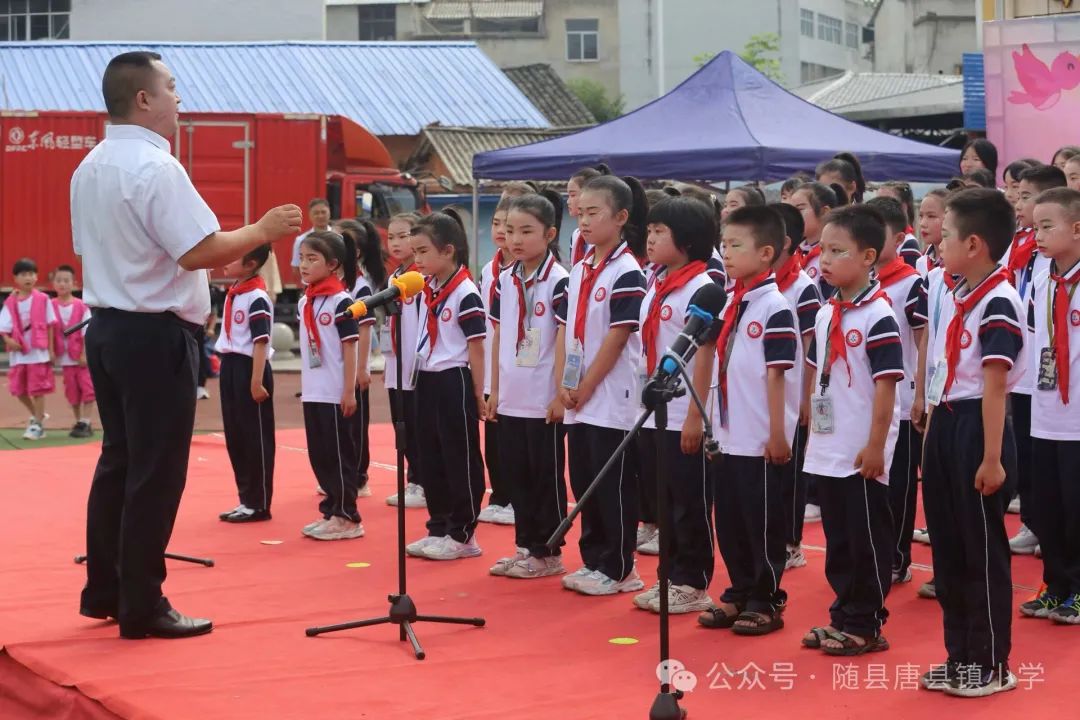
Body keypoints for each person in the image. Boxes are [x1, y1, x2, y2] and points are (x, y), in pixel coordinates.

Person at [72, 51, 301, 639]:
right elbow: (197, 249)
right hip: (152, 333)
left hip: (109, 326)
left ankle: (107, 590)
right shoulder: (154, 168)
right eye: (171, 87)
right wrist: (264, 229)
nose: (180, 98)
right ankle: (142, 604)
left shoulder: (91, 165)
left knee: (120, 462)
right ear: (143, 99)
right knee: (155, 470)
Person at [919, 188, 1023, 696]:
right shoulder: (961, 293)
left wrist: (992, 457)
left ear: (976, 244)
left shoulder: (999, 299)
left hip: (978, 428)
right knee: (949, 548)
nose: (938, 244)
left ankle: (990, 661)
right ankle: (960, 654)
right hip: (947, 418)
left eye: (948, 237)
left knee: (980, 549)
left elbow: (995, 385)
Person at [800, 205, 903, 656]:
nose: (825, 260)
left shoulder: (878, 316)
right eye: (823, 249)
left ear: (868, 257)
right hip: (829, 445)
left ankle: (866, 623)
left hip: (862, 449)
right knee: (839, 538)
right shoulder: (827, 312)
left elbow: (886, 389)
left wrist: (876, 446)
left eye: (837, 251)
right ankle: (842, 613)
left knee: (865, 538)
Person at [701, 205, 797, 635]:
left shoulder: (775, 307)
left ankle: (766, 597)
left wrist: (778, 432)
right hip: (727, 432)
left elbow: (777, 376)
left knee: (762, 522)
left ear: (766, 253)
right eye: (723, 245)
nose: (726, 253)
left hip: (759, 436)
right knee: (732, 519)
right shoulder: (728, 302)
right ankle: (739, 590)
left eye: (736, 245)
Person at [628, 197, 720, 614]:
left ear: (685, 241)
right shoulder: (659, 280)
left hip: (684, 409)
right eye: (649, 231)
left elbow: (704, 354)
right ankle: (670, 576)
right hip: (654, 406)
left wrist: (695, 418)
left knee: (689, 498)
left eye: (659, 232)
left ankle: (693, 580)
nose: (649, 238)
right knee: (664, 499)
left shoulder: (702, 286)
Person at [557, 175, 648, 596]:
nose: (584, 220)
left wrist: (588, 385)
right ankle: (594, 559)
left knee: (612, 483)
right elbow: (569, 331)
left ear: (621, 217)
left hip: (612, 395)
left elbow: (618, 336)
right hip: (581, 394)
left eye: (595, 213)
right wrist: (566, 383)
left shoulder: (628, 271)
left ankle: (619, 566)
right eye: (581, 211)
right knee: (584, 477)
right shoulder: (581, 268)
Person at [486, 192, 571, 579]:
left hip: (542, 399)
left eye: (526, 231)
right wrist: (494, 390)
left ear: (550, 233)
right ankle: (526, 547)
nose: (515, 239)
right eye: (509, 230)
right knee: (515, 475)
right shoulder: (505, 278)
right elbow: (501, 336)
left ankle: (548, 551)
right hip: (512, 397)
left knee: (544, 478)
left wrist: (559, 394)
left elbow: (565, 341)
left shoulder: (560, 281)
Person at [403, 210, 488, 561]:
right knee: (429, 454)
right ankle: (438, 526)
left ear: (448, 250)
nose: (416, 260)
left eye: (423, 252)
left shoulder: (466, 292)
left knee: (458, 456)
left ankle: (463, 532)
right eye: (415, 253)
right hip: (428, 375)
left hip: (454, 378)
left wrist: (480, 394)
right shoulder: (429, 289)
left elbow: (476, 347)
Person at [1023, 187, 1080, 624]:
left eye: (1047, 226)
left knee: (1077, 508)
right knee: (1047, 506)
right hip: (1044, 413)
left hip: (1078, 416)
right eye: (1035, 224)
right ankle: (1056, 585)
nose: (1036, 233)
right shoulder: (1041, 277)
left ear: (1077, 229)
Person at [866, 197, 926, 585]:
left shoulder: (910, 282)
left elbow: (922, 340)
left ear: (900, 237)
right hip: (868, 403)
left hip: (901, 402)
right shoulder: (863, 281)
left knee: (899, 487)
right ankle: (873, 552)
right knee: (872, 482)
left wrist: (919, 393)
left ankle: (897, 556)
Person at [1007, 164, 1065, 556]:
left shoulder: (1053, 256)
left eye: (1026, 195)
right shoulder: (1021, 248)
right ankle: (1034, 522)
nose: (1017, 201)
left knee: (1061, 468)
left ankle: (1053, 530)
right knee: (1029, 454)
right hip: (1028, 370)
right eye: (1017, 193)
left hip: (1058, 379)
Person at [297, 230, 363, 540]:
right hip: (313, 390)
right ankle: (331, 509)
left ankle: (348, 515)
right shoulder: (305, 301)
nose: (304, 265)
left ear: (333, 264)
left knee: (339, 455)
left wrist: (348, 390)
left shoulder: (342, 301)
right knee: (320, 454)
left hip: (335, 390)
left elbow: (350, 347)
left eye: (312, 259)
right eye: (301, 258)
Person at [769, 203, 821, 571]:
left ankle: (790, 541)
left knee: (790, 472)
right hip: (764, 396)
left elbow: (811, 348)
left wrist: (806, 398)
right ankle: (769, 535)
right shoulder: (753, 284)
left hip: (793, 394)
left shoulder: (803, 288)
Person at [215, 244, 275, 524]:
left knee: (255, 438)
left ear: (251, 264)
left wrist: (256, 380)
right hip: (230, 365)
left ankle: (259, 502)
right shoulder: (234, 293)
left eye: (234, 255)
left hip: (251, 367)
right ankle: (245, 499)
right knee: (235, 436)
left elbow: (260, 341)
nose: (226, 259)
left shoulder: (257, 297)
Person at [338, 219, 387, 501]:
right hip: (337, 365)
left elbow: (366, 328)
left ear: (354, 252)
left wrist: (362, 367)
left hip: (354, 364)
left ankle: (359, 476)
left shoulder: (361, 287)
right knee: (341, 425)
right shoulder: (335, 283)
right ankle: (343, 475)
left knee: (356, 424)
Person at [382, 213, 427, 509]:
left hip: (416, 363)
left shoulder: (421, 279)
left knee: (418, 423)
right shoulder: (394, 278)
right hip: (395, 362)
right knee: (401, 423)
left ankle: (422, 481)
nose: (396, 243)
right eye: (391, 237)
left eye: (404, 236)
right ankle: (413, 479)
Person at [479, 198, 517, 526]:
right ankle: (500, 494)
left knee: (512, 438)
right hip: (494, 361)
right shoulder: (487, 271)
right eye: (495, 224)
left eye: (508, 225)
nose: (501, 231)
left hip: (517, 366)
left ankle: (514, 497)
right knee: (492, 436)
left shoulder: (522, 270)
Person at [1, 257, 57, 440]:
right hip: (19, 354)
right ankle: (37, 415)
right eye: (24, 274)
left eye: (32, 273)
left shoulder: (43, 299)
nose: (29, 277)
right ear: (15, 279)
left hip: (38, 352)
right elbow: (4, 328)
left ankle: (38, 426)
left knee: (38, 389)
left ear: (36, 276)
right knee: (19, 389)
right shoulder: (10, 302)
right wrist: (8, 341)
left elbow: (50, 325)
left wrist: (50, 349)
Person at [51, 264, 95, 438]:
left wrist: (85, 353)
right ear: (53, 284)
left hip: (80, 357)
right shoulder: (49, 305)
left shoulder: (82, 306)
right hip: (64, 358)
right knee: (72, 391)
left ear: (74, 284)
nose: (62, 284)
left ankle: (86, 420)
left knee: (87, 388)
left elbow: (87, 332)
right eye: (59, 280)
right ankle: (79, 421)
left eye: (66, 280)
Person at [788, 182, 841, 298]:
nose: (792, 216)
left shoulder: (836, 255)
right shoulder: (794, 251)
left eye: (800, 209)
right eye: (791, 211)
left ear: (825, 212)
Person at [568, 165, 610, 266]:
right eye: (568, 195)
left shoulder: (603, 235)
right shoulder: (576, 234)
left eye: (573, 195)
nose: (568, 201)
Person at [874, 182, 921, 268]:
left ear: (903, 207)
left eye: (887, 202)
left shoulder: (908, 243)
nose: (879, 206)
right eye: (877, 201)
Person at [291, 198, 332, 285]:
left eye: (323, 212)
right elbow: (296, 267)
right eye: (316, 213)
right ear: (310, 215)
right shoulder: (301, 240)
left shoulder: (339, 237)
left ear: (329, 213)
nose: (320, 216)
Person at [915, 189, 948, 279]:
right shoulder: (921, 262)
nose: (922, 223)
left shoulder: (957, 264)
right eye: (921, 216)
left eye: (931, 216)